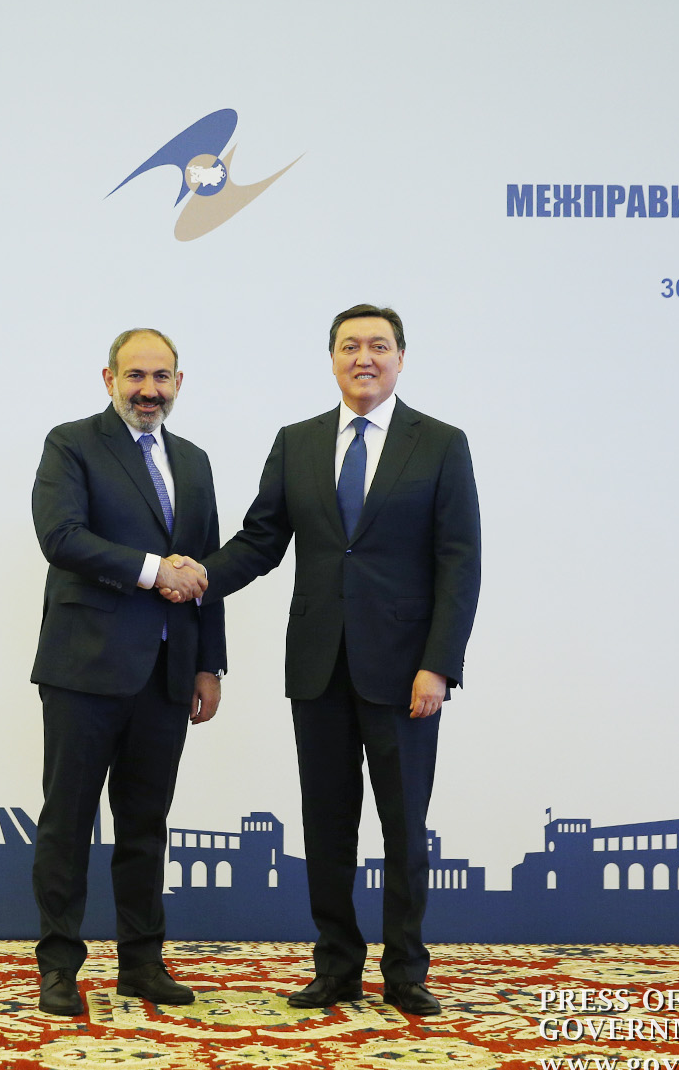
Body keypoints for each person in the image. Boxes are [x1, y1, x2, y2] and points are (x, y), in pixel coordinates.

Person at [170, 304, 479, 1016]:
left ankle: (406, 971)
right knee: (327, 826)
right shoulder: (298, 441)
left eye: (378, 345)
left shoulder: (440, 443)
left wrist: (439, 664)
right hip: (318, 667)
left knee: (404, 826)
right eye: (349, 346)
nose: (363, 357)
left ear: (401, 357)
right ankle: (336, 966)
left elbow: (460, 562)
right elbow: (261, 540)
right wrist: (200, 575)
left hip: (405, 671)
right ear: (333, 358)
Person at [29, 327, 226, 1016]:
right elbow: (61, 537)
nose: (148, 390)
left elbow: (205, 567)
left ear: (179, 383)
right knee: (68, 822)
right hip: (84, 669)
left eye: (161, 376)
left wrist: (209, 663)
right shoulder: (71, 443)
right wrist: (152, 570)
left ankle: (142, 963)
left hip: (167, 674)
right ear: (109, 378)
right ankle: (59, 967)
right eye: (135, 375)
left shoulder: (194, 461)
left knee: (146, 824)